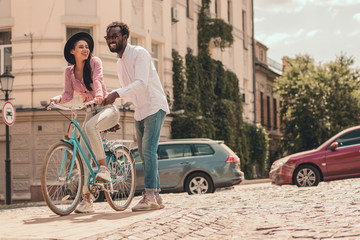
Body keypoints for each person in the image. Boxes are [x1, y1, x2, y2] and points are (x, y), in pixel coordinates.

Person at [49, 32, 120, 213]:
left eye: (87, 46)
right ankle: (87, 201)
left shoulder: (95, 63)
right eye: (81, 47)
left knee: (89, 127)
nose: (85, 49)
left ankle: (104, 168)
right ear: (72, 51)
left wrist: (98, 96)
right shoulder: (69, 72)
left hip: (106, 109)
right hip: (90, 111)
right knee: (83, 155)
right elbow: (67, 94)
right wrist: (57, 99)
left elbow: (98, 80)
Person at [103, 22, 170, 211]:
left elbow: (141, 84)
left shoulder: (140, 53)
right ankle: (155, 197)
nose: (111, 40)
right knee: (144, 153)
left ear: (125, 37)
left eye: (115, 36)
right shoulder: (119, 63)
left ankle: (149, 194)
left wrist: (115, 94)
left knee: (148, 151)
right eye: (108, 37)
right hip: (140, 110)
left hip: (154, 106)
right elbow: (130, 91)